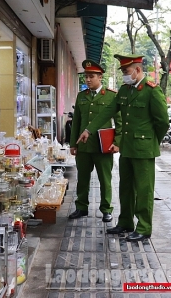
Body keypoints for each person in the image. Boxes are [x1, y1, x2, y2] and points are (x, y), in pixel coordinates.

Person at [76, 54, 168, 242]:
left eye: (126, 71)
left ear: (138, 70)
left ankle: (144, 227)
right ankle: (126, 222)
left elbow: (163, 122)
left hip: (143, 150)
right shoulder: (125, 91)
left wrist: (152, 142)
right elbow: (107, 112)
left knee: (144, 190)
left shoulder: (152, 91)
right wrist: (89, 130)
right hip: (127, 148)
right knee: (125, 188)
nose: (125, 75)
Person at [68, 60, 121, 222]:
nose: (88, 80)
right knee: (82, 178)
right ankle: (81, 207)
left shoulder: (111, 96)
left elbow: (119, 121)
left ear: (100, 77)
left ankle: (106, 209)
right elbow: (76, 121)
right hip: (83, 146)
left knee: (105, 179)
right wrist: (72, 144)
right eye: (86, 77)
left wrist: (117, 142)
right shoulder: (81, 96)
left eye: (91, 76)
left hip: (103, 147)